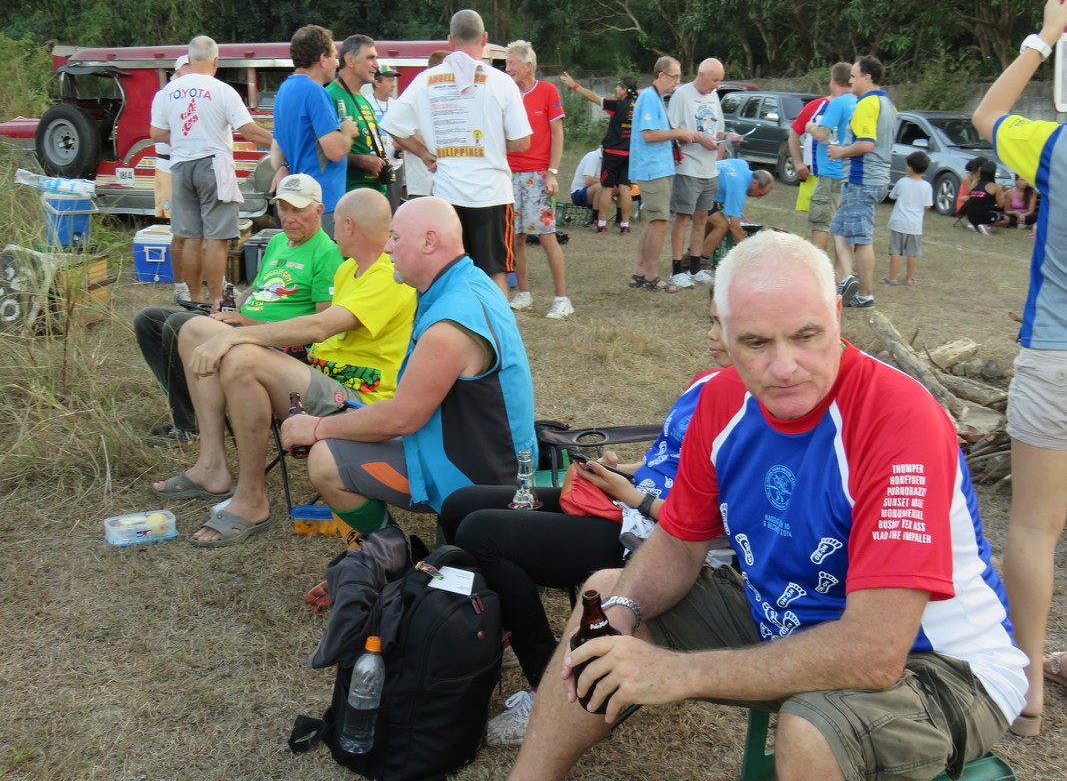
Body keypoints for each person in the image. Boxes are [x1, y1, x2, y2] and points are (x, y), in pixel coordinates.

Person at [508, 230, 1026, 781]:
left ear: (837, 315)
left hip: (940, 664)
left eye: (806, 336)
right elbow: (679, 543)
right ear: (723, 334)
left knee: (812, 728)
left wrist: (678, 673)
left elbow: (874, 653)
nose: (784, 367)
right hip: (787, 622)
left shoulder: (897, 420)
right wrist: (622, 612)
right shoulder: (721, 399)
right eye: (756, 343)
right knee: (606, 597)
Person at [439, 292, 734, 747]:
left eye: (723, 324)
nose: (711, 335)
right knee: (460, 505)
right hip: (627, 503)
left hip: (659, 540)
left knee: (483, 534)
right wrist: (616, 471)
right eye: (710, 320)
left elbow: (715, 523)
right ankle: (495, 629)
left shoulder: (757, 409)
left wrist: (631, 494)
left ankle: (548, 686)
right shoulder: (710, 380)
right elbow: (669, 460)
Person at [153, 188, 415, 547]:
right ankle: (212, 466)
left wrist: (236, 336)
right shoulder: (350, 269)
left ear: (349, 225)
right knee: (194, 331)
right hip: (319, 377)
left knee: (243, 358)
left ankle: (252, 499)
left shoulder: (387, 276)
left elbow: (321, 327)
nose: (332, 230)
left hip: (358, 399)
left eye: (335, 223)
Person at [281, 196, 537, 537]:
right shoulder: (468, 282)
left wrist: (315, 428)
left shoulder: (450, 322)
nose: (387, 247)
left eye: (396, 237)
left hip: (480, 480)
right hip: (491, 457)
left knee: (325, 459)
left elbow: (402, 418)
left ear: (429, 241)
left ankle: (390, 557)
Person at [972, 0, 1067, 737]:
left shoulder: (1054, 147)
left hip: (1055, 357)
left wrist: (1043, 36)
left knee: (1034, 526)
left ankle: (1027, 686)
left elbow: (986, 115)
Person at [133, 174, 342, 446]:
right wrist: (234, 303)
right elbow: (259, 286)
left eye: (298, 210)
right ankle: (191, 412)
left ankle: (187, 427)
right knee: (149, 320)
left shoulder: (327, 253)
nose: (289, 218)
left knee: (178, 326)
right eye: (283, 208)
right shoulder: (278, 241)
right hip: (238, 324)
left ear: (319, 210)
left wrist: (248, 323)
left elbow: (319, 327)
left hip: (269, 342)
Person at [382, 10, 532, 295]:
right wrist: (492, 143)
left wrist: (423, 152)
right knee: (494, 273)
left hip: (446, 196)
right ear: (484, 39)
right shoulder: (501, 82)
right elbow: (522, 141)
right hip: (492, 194)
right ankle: (493, 324)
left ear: (450, 40)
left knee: (444, 273)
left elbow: (392, 124)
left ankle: (444, 321)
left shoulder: (427, 80)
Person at [149, 35, 273, 310]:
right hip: (214, 165)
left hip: (180, 166)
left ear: (189, 59)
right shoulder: (222, 90)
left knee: (191, 236)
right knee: (217, 237)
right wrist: (280, 143)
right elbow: (249, 132)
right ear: (216, 61)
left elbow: (155, 133)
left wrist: (182, 136)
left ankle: (195, 300)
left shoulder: (167, 92)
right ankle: (216, 300)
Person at [504, 40, 573, 320]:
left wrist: (551, 172)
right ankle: (524, 293)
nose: (507, 68)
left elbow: (557, 134)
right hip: (509, 174)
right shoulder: (506, 93)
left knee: (546, 236)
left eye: (512, 63)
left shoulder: (547, 91)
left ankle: (562, 299)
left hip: (537, 174)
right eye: (506, 64)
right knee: (515, 237)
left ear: (528, 65)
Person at [272, 24, 359, 239]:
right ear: (322, 58)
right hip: (322, 199)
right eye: (334, 56)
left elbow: (276, 147)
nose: (337, 63)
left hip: (297, 196)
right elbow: (335, 151)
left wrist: (282, 169)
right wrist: (347, 132)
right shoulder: (315, 92)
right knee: (325, 257)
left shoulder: (284, 89)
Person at [627, 56, 701, 293]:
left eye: (679, 77)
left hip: (659, 167)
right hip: (652, 168)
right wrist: (678, 133)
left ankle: (640, 272)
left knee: (654, 221)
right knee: (660, 222)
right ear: (661, 75)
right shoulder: (650, 97)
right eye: (674, 77)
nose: (677, 82)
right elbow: (648, 134)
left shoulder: (656, 98)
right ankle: (651, 276)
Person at [827, 55, 896, 309]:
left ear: (867, 78)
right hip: (875, 177)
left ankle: (865, 295)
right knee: (838, 230)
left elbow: (866, 144)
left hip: (862, 179)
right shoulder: (887, 104)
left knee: (861, 237)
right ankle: (847, 279)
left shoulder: (867, 104)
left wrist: (840, 152)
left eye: (854, 76)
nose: (850, 81)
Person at [667, 57, 729, 288]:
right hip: (688, 167)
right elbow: (672, 131)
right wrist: (698, 139)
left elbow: (719, 130)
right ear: (701, 75)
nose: (717, 85)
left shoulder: (714, 97)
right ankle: (677, 269)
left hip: (709, 169)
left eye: (720, 81)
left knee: (702, 218)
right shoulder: (682, 95)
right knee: (684, 218)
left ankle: (695, 267)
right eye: (714, 80)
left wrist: (728, 137)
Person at [151, 54, 202, 304]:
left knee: (205, 229)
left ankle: (212, 282)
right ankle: (180, 285)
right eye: (186, 69)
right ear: (178, 71)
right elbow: (156, 133)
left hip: (197, 165)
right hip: (172, 166)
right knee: (181, 229)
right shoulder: (165, 95)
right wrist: (187, 140)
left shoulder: (200, 94)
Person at [561, 72, 638, 235]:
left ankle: (601, 224)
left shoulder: (617, 105)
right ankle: (624, 226)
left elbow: (593, 97)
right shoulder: (640, 106)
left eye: (618, 86)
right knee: (625, 188)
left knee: (607, 187)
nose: (616, 89)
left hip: (612, 151)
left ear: (624, 90)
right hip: (630, 152)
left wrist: (575, 86)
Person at [325, 35, 390, 197]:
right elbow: (321, 151)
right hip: (349, 195)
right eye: (370, 58)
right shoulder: (330, 96)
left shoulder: (363, 99)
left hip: (373, 192)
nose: (377, 65)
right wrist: (360, 161)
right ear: (350, 60)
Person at [804, 62, 856, 252]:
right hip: (849, 172)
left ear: (833, 80)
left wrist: (810, 127)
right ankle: (842, 267)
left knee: (821, 222)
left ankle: (819, 265)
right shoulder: (857, 102)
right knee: (843, 227)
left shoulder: (838, 103)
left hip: (831, 172)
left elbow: (822, 134)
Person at [700, 158, 774, 260]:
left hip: (699, 183)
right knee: (721, 225)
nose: (758, 198)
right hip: (699, 191)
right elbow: (734, 227)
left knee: (713, 220)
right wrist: (749, 253)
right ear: (755, 183)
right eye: (760, 194)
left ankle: (692, 253)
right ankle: (701, 261)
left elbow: (734, 209)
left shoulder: (742, 164)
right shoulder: (739, 187)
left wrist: (747, 223)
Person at [404, 50, 449, 200]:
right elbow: (396, 136)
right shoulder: (416, 99)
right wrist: (430, 144)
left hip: (445, 184)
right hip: (421, 184)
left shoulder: (447, 101)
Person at [883, 150, 933, 286]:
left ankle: (892, 278)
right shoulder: (927, 186)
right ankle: (909, 279)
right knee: (912, 253)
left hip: (898, 222)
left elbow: (892, 196)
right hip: (914, 225)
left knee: (895, 250)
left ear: (910, 168)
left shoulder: (902, 182)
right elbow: (928, 205)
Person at [361, 63, 404, 211]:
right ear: (377, 82)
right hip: (374, 166)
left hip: (395, 165)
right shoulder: (365, 103)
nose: (393, 85)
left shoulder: (398, 105)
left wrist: (403, 147)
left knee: (392, 208)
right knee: (373, 208)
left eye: (393, 81)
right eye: (389, 81)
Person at [960, 160, 1008, 234]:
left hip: (970, 216)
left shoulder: (975, 182)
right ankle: (985, 225)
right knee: (1006, 219)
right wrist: (1002, 195)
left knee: (981, 211)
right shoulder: (994, 186)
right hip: (983, 215)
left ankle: (975, 225)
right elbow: (1001, 205)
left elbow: (973, 196)